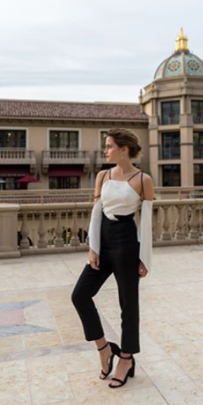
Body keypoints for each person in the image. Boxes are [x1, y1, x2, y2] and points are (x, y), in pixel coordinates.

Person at [71, 128, 154, 388]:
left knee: (128, 304)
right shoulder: (103, 176)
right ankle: (104, 349)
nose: (105, 151)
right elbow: (96, 211)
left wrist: (144, 258)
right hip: (103, 240)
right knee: (80, 295)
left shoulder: (143, 179)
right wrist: (92, 247)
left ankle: (126, 359)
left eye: (108, 146)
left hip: (127, 242)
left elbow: (147, 223)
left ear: (123, 149)